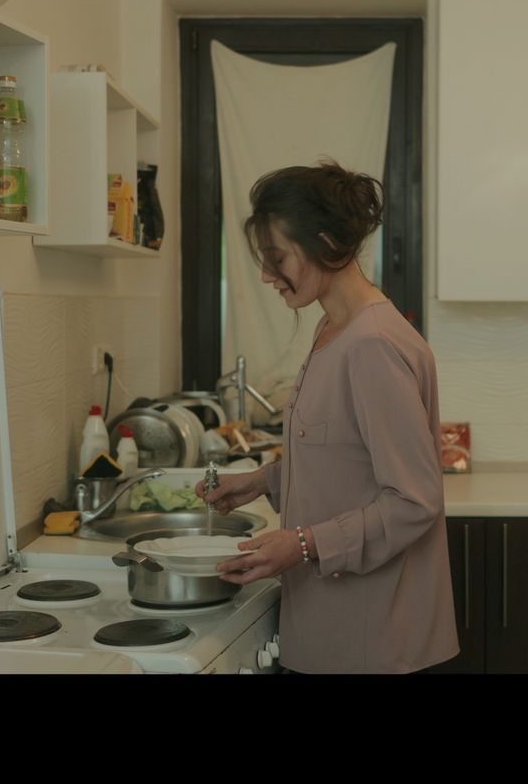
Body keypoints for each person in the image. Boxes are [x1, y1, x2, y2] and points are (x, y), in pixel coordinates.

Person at [195, 160, 459, 674]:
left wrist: (301, 543)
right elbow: (343, 456)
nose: (267, 275)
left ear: (325, 244)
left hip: (374, 641)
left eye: (277, 258)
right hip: (333, 627)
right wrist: (261, 480)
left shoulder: (371, 345)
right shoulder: (332, 329)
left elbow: (413, 500)